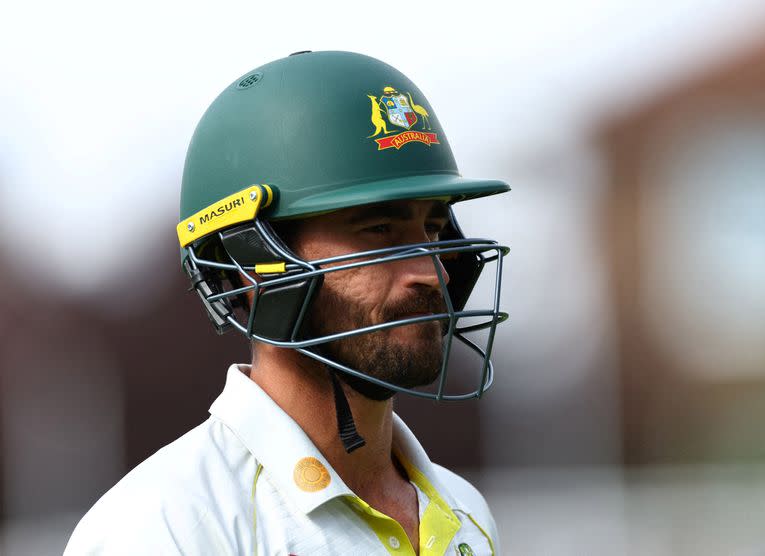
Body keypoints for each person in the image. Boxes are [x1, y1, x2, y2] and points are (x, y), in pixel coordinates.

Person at [65, 50, 511, 555]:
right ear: (251, 265)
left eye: (432, 229)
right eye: (380, 231)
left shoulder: (467, 511)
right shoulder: (164, 527)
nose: (431, 271)